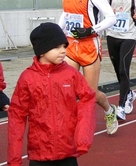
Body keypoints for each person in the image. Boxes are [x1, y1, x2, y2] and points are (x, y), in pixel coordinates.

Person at [8, 22, 96, 166]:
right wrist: (14, 159)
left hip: (68, 153)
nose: (63, 51)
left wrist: (82, 138)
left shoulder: (71, 74)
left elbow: (88, 97)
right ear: (42, 51)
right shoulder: (27, 78)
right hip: (39, 155)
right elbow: (16, 117)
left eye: (64, 46)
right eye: (56, 47)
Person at [58, 0, 119, 135]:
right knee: (66, 86)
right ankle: (72, 124)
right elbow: (66, 13)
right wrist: (56, 32)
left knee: (89, 93)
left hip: (89, 46)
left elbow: (111, 17)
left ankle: (109, 110)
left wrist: (91, 30)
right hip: (70, 46)